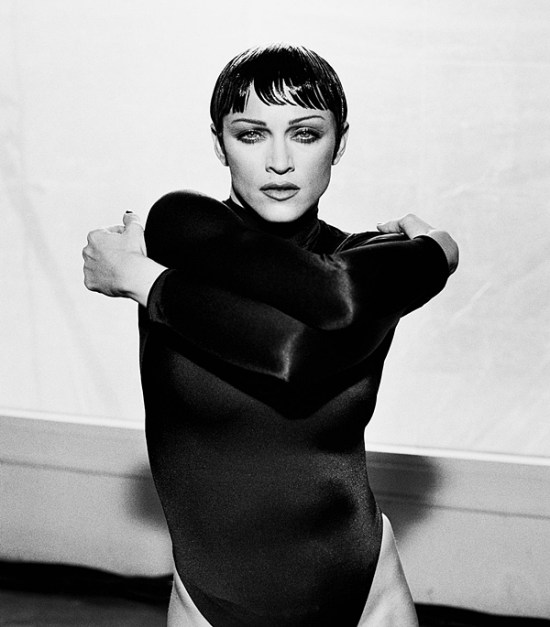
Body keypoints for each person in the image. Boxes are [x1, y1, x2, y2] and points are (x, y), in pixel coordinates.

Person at [83, 43, 458, 627]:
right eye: (251, 134)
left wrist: (144, 283)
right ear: (219, 143)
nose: (279, 161)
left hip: (367, 593)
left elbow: (313, 327)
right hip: (212, 605)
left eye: (305, 134)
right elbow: (299, 344)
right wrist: (433, 255)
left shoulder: (359, 262)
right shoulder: (181, 227)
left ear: (339, 142)